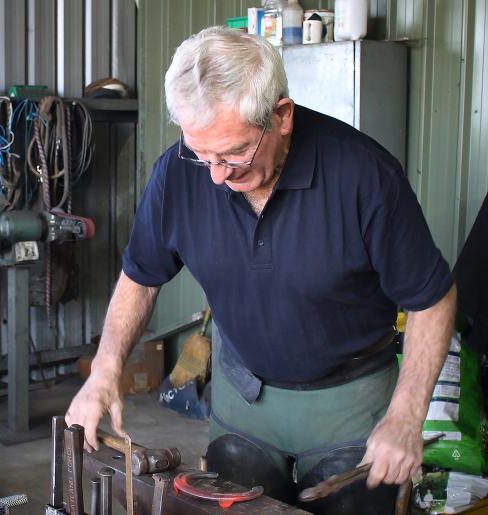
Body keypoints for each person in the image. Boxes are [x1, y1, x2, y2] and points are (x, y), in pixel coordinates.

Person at [64, 26, 456, 496]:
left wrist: (406, 416)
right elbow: (141, 277)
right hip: (243, 400)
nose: (215, 176)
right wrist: (106, 370)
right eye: (200, 153)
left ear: (282, 116)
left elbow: (432, 300)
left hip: (351, 406)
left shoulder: (364, 177)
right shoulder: (177, 173)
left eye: (234, 153)